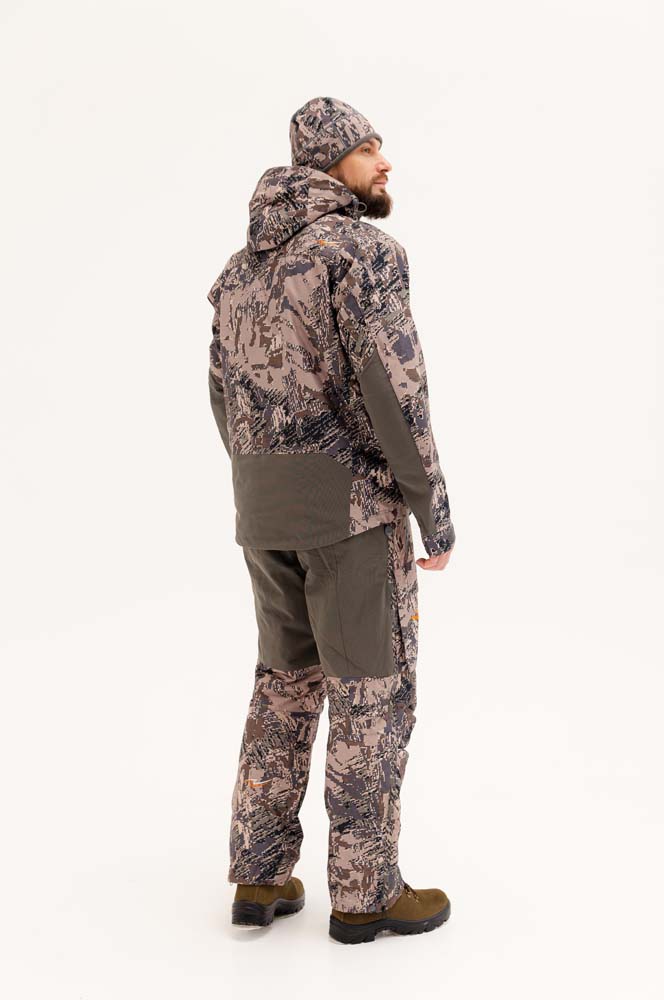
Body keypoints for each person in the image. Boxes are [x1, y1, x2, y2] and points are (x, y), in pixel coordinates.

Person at [207, 96, 456, 945]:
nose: (384, 161)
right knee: (369, 696)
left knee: (283, 683)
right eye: (366, 148)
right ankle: (364, 893)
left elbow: (222, 394)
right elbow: (395, 389)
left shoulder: (238, 271)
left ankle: (258, 874)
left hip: (262, 508)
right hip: (348, 515)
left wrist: (264, 485)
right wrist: (430, 508)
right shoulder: (361, 252)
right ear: (326, 163)